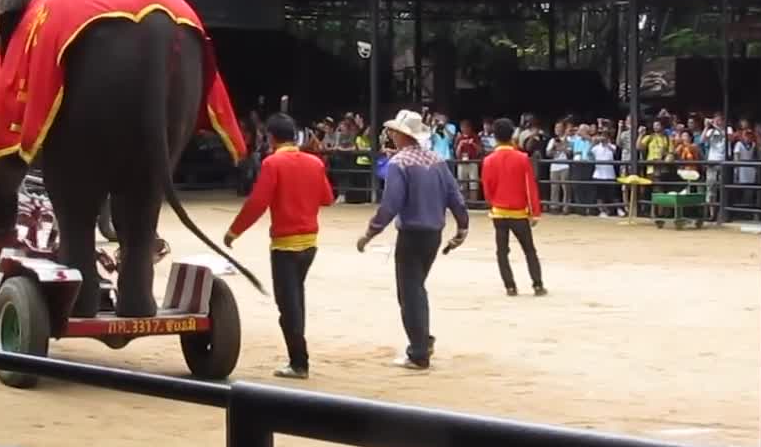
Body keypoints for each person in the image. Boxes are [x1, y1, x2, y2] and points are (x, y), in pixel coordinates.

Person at [224, 113, 334, 379]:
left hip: (285, 244)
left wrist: (233, 231)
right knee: (297, 298)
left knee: (288, 305)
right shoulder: (314, 162)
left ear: (271, 137)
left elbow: (257, 203)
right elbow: (327, 198)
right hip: (310, 243)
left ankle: (299, 362)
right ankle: (298, 357)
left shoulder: (273, 163)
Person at [357, 109, 469, 370]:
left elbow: (391, 204)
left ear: (400, 133)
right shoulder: (437, 160)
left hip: (411, 234)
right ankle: (422, 339)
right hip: (433, 233)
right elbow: (455, 197)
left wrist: (370, 232)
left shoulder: (400, 163)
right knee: (416, 288)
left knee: (409, 292)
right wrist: (462, 228)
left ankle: (418, 351)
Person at [481, 118, 545, 297]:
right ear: (512, 135)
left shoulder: (488, 160)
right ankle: (537, 284)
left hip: (499, 213)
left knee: (502, 251)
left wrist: (492, 204)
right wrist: (535, 212)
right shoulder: (522, 158)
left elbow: (487, 187)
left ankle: (510, 286)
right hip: (519, 213)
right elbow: (529, 186)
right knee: (529, 250)